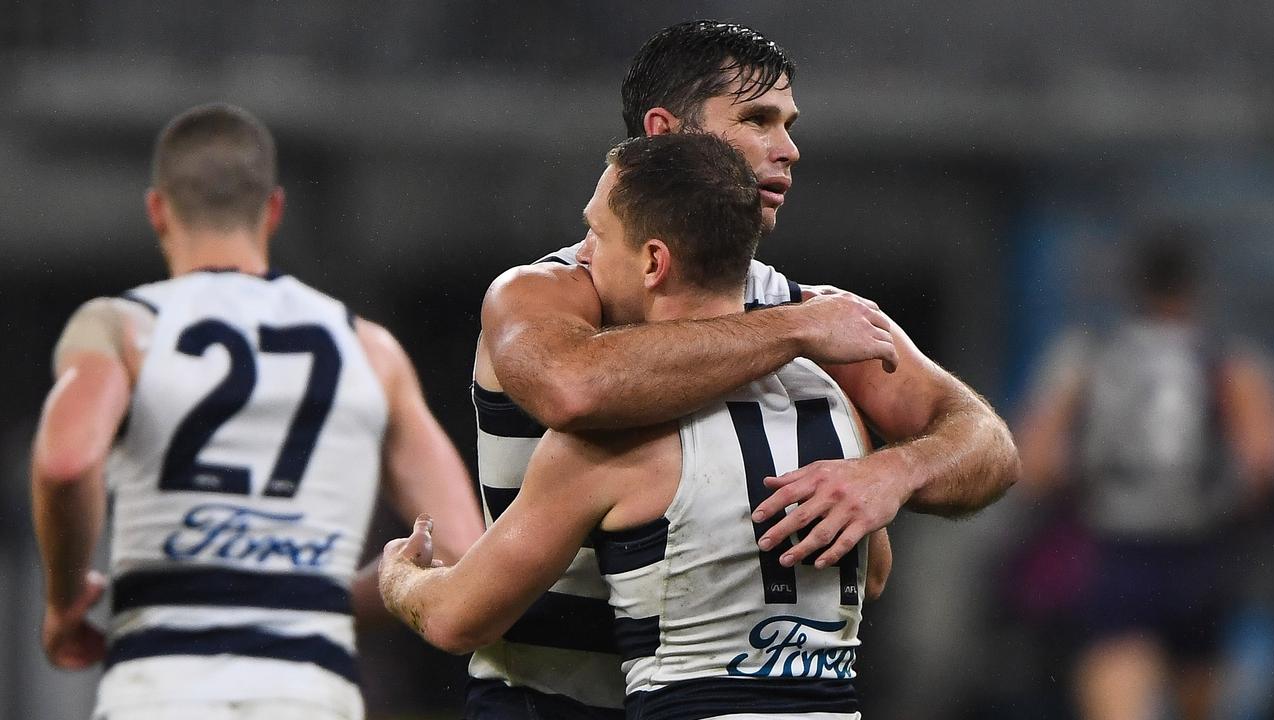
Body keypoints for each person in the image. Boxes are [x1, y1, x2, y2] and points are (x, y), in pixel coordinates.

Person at [465, 19, 1019, 718]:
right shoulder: (544, 292)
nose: (787, 148)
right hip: (548, 702)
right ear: (666, 134)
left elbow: (987, 443)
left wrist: (893, 474)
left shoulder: (812, 313)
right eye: (757, 119)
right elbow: (574, 386)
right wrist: (789, 332)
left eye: (787, 123)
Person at [385, 131, 891, 720]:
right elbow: (873, 575)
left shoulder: (611, 436)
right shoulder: (832, 400)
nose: (582, 255)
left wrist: (400, 578)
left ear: (654, 262)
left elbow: (456, 617)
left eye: (597, 235)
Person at [30, 103, 485, 720]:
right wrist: (322, 598)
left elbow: (64, 462)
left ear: (157, 211)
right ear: (273, 209)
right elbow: (461, 551)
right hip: (305, 695)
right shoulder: (369, 349)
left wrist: (63, 602)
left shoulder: (121, 326)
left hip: (162, 689)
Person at [1017, 225, 1274, 720]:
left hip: (1119, 551)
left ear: (1133, 288)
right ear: (1196, 290)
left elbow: (1034, 464)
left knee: (1117, 695)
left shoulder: (1086, 358)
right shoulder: (1229, 362)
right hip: (1204, 551)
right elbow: (1261, 462)